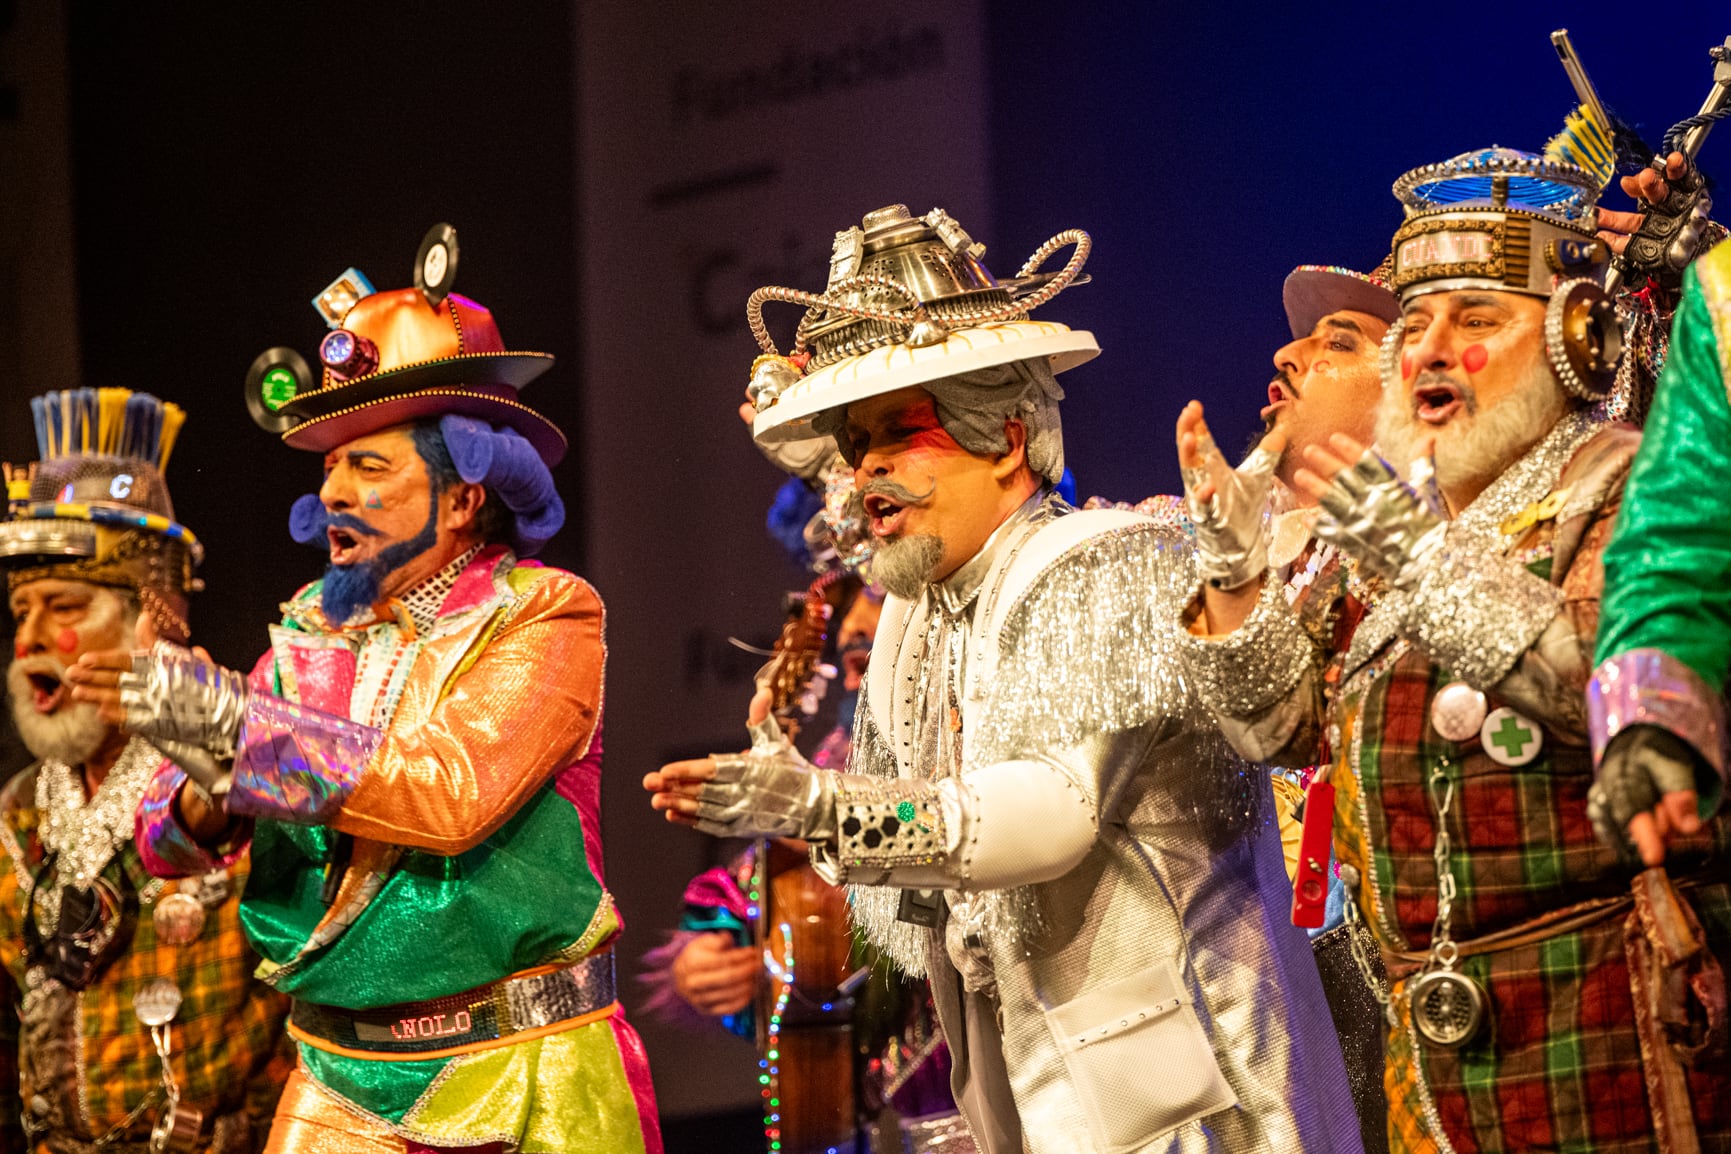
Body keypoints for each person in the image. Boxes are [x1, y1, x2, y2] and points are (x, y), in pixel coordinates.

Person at [647, 204, 1361, 1153]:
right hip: (1034, 1096)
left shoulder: (1104, 561)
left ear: (1008, 438)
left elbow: (1050, 814)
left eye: (898, 435)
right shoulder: (914, 616)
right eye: (855, 447)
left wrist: (822, 805)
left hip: (1194, 1101)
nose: (866, 474)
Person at [1177, 144, 1731, 1152]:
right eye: (1416, 325)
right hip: (1433, 1062)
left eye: (1477, 320)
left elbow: (1619, 682)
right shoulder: (1385, 528)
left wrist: (1423, 561)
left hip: (1609, 1020)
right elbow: (1274, 726)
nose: (1432, 349)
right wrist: (1229, 567)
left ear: (1577, 341)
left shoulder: (1626, 482)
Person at [75, 234, 662, 1153]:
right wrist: (199, 773)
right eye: (327, 467)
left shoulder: (544, 614)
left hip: (525, 1070)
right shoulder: (308, 628)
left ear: (464, 496)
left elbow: (448, 792)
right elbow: (165, 847)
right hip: (337, 1079)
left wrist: (234, 729)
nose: (331, 494)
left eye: (369, 466)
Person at [0, 389, 290, 1151]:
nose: (30, 638)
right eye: (19, 612)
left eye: (60, 607)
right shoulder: (18, 816)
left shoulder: (242, 780)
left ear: (151, 619)